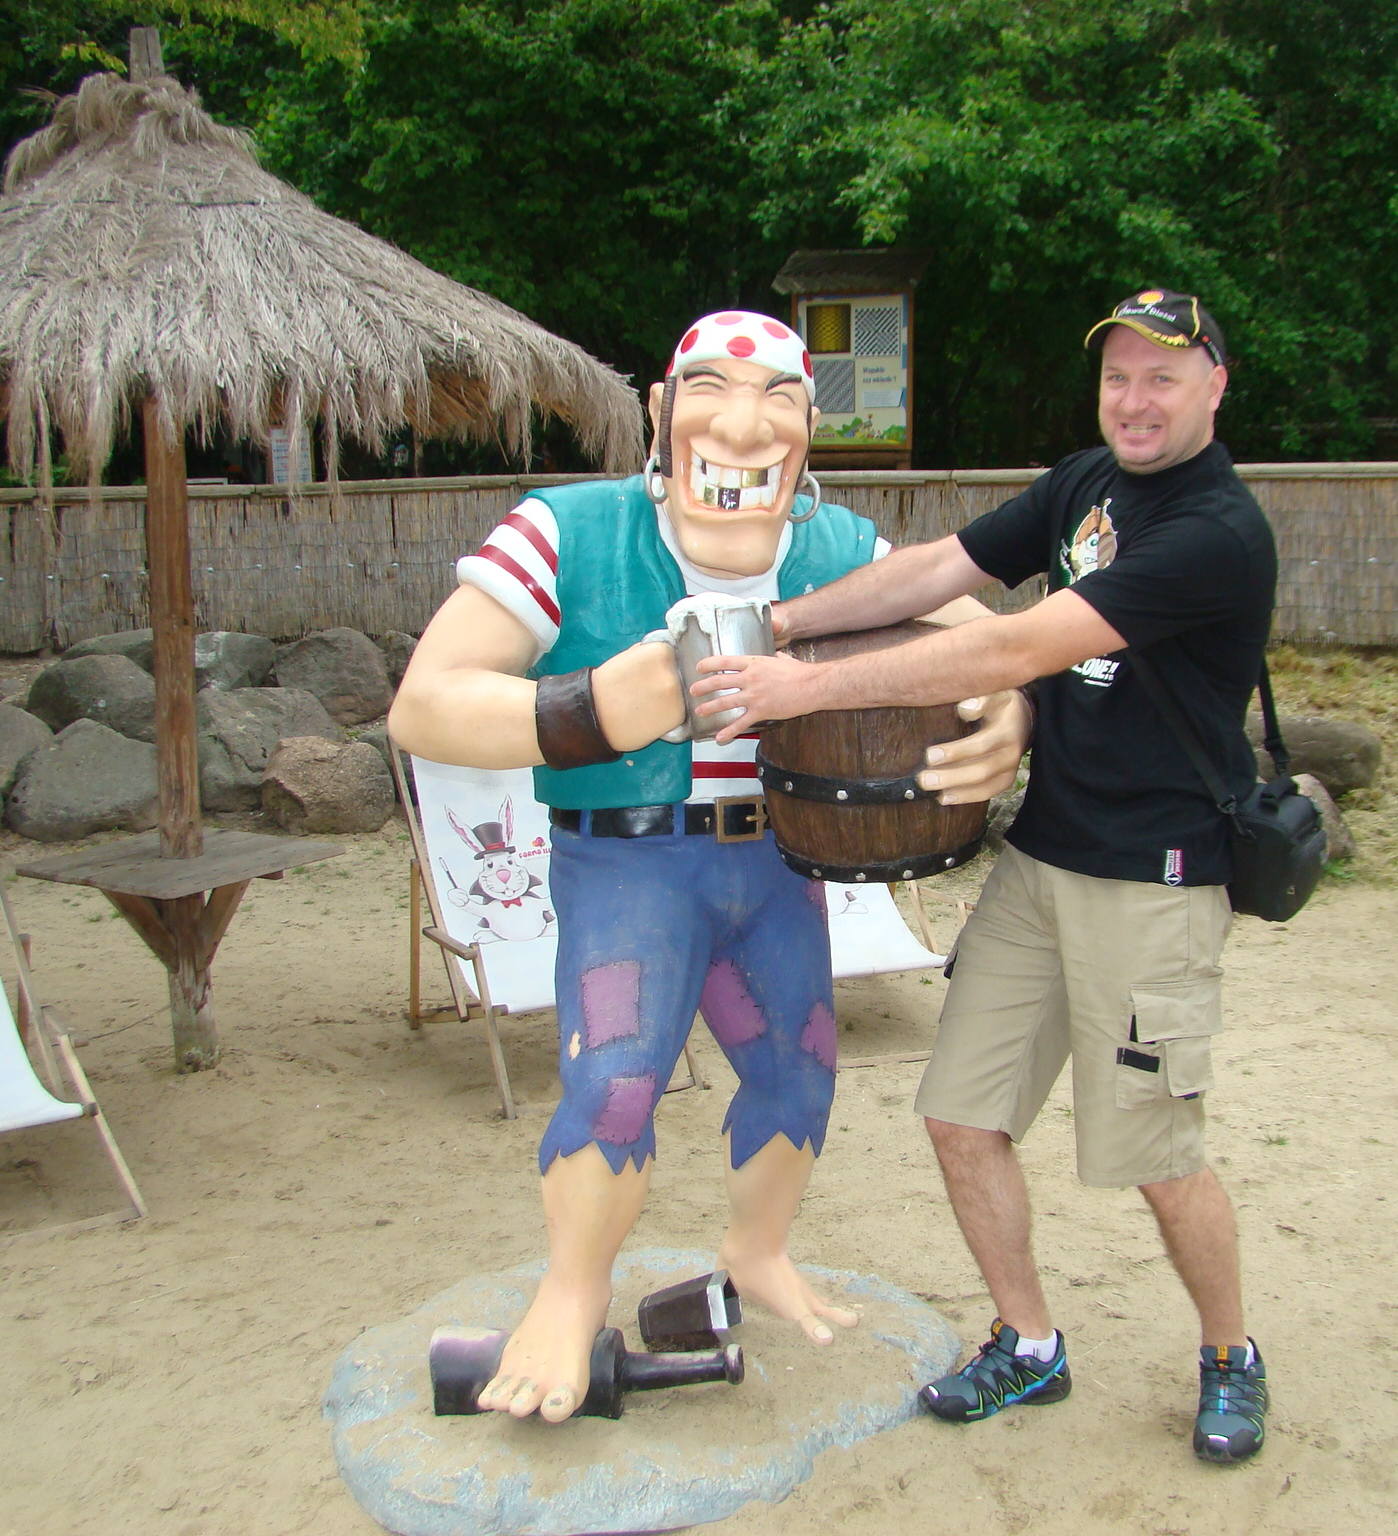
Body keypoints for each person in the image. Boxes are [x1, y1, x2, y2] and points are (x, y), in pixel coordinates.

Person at [389, 310, 1029, 1423]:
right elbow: (425, 705)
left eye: (778, 396)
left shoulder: (838, 550)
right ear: (660, 410)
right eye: (713, 389)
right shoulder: (568, 531)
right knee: (615, 1082)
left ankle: (757, 1247)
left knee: (800, 1068)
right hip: (628, 869)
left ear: (810, 429)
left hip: (778, 863)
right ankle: (570, 1291)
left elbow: (991, 639)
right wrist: (592, 707)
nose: (742, 425)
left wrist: (1010, 704)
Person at [697, 290, 1278, 1463]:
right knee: (960, 1114)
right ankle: (1028, 1343)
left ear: (1215, 386)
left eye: (1162, 377)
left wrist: (802, 690)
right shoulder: (1083, 485)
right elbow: (931, 573)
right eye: (1117, 376)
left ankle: (1229, 1353)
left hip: (1152, 883)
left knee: (1154, 1153)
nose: (1134, 400)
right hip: (1043, 857)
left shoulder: (1216, 532)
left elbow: (1013, 644)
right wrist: (781, 624)